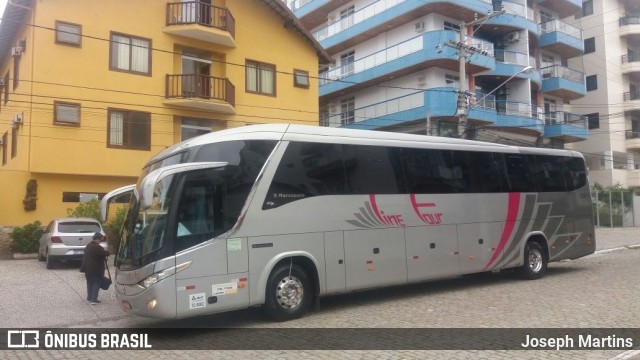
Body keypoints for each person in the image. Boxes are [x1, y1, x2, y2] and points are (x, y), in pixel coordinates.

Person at [80, 232, 110, 305]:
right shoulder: (97, 247)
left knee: (89, 282)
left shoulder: (88, 245)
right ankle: (94, 299)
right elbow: (106, 253)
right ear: (96, 239)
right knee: (96, 283)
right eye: (100, 240)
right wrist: (107, 252)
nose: (100, 241)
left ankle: (89, 298)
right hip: (96, 269)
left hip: (87, 268)